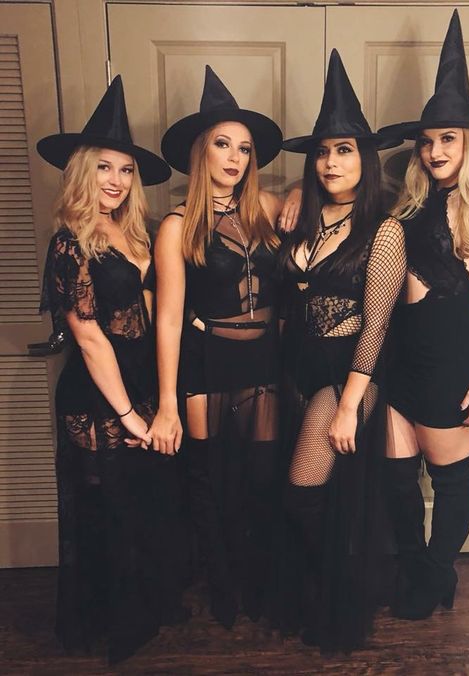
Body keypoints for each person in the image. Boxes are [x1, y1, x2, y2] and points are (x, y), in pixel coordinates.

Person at [377, 9, 469, 621]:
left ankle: (437, 575)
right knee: (395, 479)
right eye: (427, 140)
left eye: (449, 139)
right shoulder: (408, 202)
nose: (435, 150)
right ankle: (416, 566)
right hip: (400, 357)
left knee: (451, 481)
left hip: (452, 360)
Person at [37, 76, 184, 663]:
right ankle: (103, 623)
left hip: (142, 385)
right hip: (98, 397)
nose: (117, 181)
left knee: (145, 502)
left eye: (126, 170)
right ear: (82, 172)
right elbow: (90, 338)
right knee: (108, 509)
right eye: (104, 168)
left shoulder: (137, 233)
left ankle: (146, 607)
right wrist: (128, 415)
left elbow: (156, 312)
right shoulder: (68, 243)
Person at [150, 66, 286, 629]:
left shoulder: (268, 210)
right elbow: (168, 319)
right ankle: (224, 587)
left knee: (261, 477)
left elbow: (322, 204)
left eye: (245, 149)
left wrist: (299, 193)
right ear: (201, 151)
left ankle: (257, 582)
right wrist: (165, 403)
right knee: (210, 483)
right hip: (206, 363)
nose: (235, 158)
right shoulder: (178, 226)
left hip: (264, 362)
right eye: (223, 144)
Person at [279, 49, 405, 653]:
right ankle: (313, 589)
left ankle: (339, 598)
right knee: (315, 495)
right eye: (323, 152)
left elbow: (376, 327)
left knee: (303, 491)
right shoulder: (302, 216)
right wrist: (288, 191)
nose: (331, 162)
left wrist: (350, 405)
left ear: (365, 158)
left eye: (345, 150)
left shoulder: (384, 229)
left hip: (346, 377)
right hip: (294, 371)